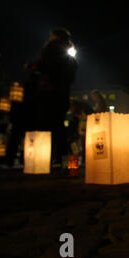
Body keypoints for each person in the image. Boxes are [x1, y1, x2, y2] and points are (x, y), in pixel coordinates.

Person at [27, 28, 78, 165]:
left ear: (55, 36)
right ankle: (63, 158)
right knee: (59, 125)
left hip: (48, 91)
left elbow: (43, 66)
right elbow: (71, 74)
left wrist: (31, 66)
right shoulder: (70, 52)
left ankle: (43, 159)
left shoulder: (52, 48)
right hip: (62, 93)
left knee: (44, 124)